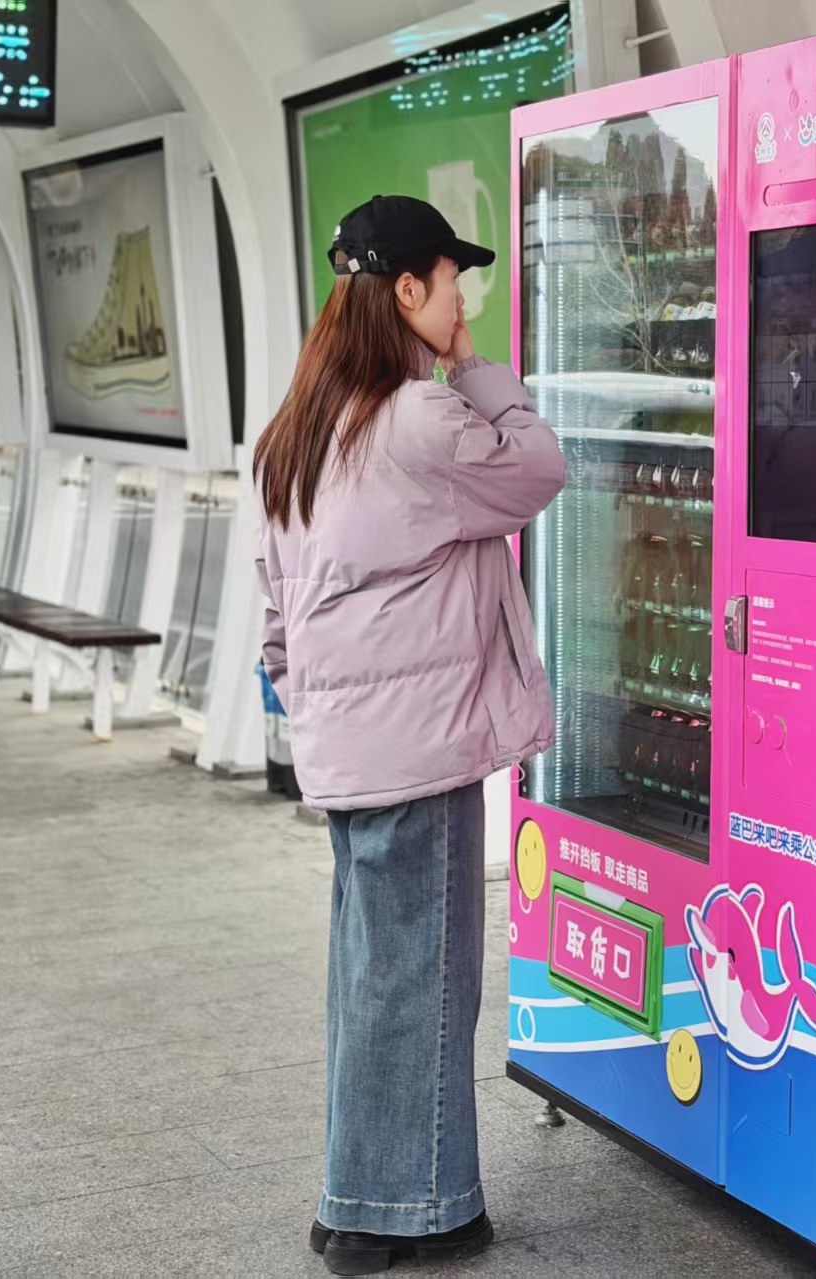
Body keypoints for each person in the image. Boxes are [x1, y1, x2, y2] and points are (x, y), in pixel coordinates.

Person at [253, 195, 565, 1276]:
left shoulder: (298, 430)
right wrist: (474, 366)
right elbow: (538, 470)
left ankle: (356, 1198)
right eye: (451, 281)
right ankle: (401, 1211)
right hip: (418, 747)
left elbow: (275, 612)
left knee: (372, 978)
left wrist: (315, 715)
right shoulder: (421, 420)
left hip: (350, 748)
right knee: (421, 981)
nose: (462, 299)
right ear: (405, 290)